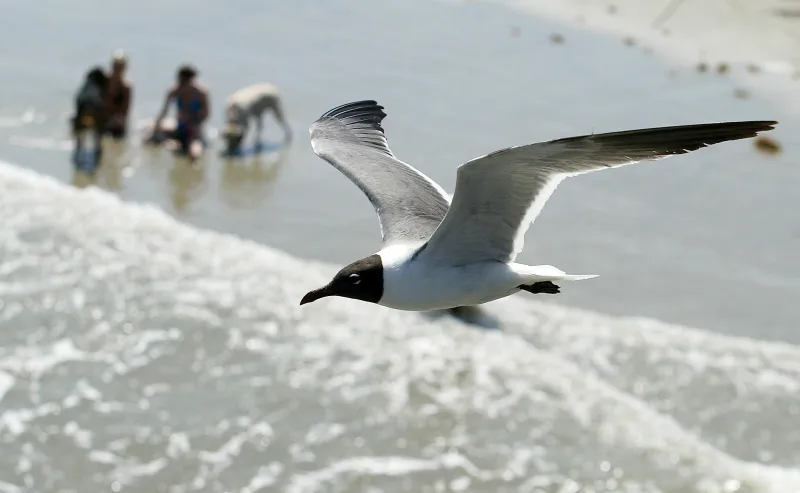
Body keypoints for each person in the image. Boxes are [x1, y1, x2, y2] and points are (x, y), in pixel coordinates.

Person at [149, 64, 209, 160]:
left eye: (184, 81)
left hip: (194, 129)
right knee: (150, 130)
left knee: (194, 153)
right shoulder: (175, 90)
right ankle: (174, 143)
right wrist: (155, 129)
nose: (182, 83)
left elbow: (206, 114)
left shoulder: (201, 93)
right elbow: (164, 112)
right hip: (179, 126)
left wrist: (191, 118)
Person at [220, 83, 292, 155]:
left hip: (270, 95)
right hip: (256, 98)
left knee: (279, 118)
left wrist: (240, 144)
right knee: (258, 120)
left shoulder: (242, 110)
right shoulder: (228, 107)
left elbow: (246, 128)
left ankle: (288, 134)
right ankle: (257, 141)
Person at [71, 65, 108, 163]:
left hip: (82, 108)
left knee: (80, 133)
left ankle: (78, 151)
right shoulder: (100, 88)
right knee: (97, 133)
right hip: (93, 108)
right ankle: (97, 152)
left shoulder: (84, 88)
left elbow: (78, 101)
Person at [104, 50, 133, 140]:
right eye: (115, 66)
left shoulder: (126, 87)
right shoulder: (105, 82)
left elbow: (125, 109)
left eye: (120, 67)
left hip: (117, 121)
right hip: (104, 118)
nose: (117, 70)